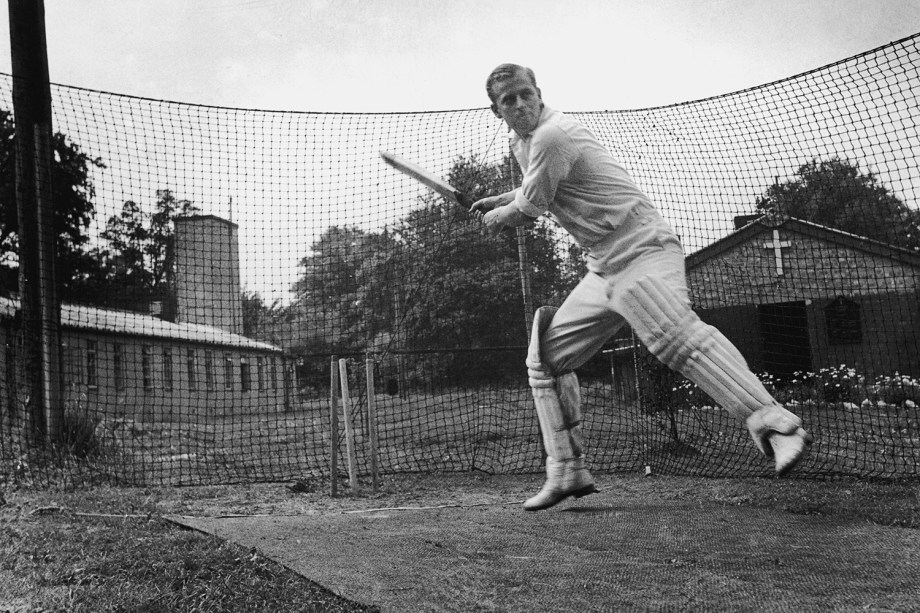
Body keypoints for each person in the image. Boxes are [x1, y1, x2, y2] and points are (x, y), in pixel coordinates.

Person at [471, 63, 813, 512]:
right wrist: (501, 199)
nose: (519, 104)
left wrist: (499, 215)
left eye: (524, 94)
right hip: (603, 266)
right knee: (547, 360)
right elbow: (541, 186)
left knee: (672, 335)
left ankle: (777, 426)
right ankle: (567, 470)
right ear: (496, 111)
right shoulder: (523, 143)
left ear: (539, 92)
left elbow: (532, 205)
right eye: (508, 100)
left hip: (644, 247)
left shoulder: (554, 133)